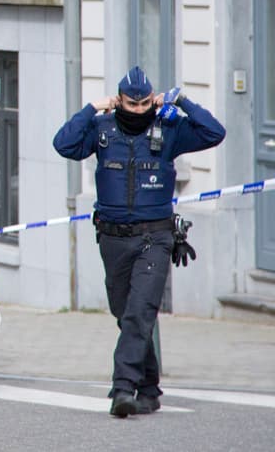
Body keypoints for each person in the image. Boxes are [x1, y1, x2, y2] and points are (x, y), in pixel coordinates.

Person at [52, 65, 225, 418]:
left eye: (145, 103)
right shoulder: (102, 131)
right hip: (113, 239)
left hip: (156, 238)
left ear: (152, 99)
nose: (138, 110)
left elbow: (214, 133)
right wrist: (91, 108)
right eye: (131, 104)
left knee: (139, 313)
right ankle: (148, 388)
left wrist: (184, 102)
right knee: (125, 314)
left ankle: (122, 388)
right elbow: (64, 144)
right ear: (119, 102)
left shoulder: (169, 129)